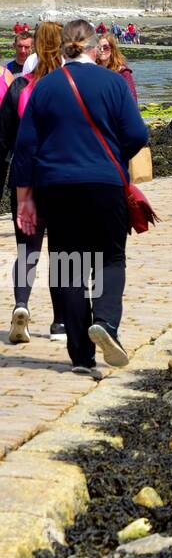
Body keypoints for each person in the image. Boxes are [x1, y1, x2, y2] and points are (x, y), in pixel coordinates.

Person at [11, 20, 149, 376]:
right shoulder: (114, 82)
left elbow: (25, 148)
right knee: (109, 258)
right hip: (104, 184)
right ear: (92, 46)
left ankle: (81, 355)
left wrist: (25, 198)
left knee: (67, 265)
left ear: (61, 48)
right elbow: (136, 133)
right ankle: (105, 321)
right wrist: (114, 157)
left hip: (56, 187)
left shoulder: (44, 87)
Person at [0, 22, 65, 345]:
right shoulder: (69, 86)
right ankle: (60, 321)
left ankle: (22, 303)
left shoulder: (20, 86)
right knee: (63, 250)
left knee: (27, 249)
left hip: (24, 175)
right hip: (62, 177)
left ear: (35, 46)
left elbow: (6, 138)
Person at [94, 33, 137, 103]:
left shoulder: (123, 72)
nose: (102, 50)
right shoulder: (92, 70)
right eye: (98, 47)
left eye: (106, 48)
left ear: (112, 49)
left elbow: (132, 100)